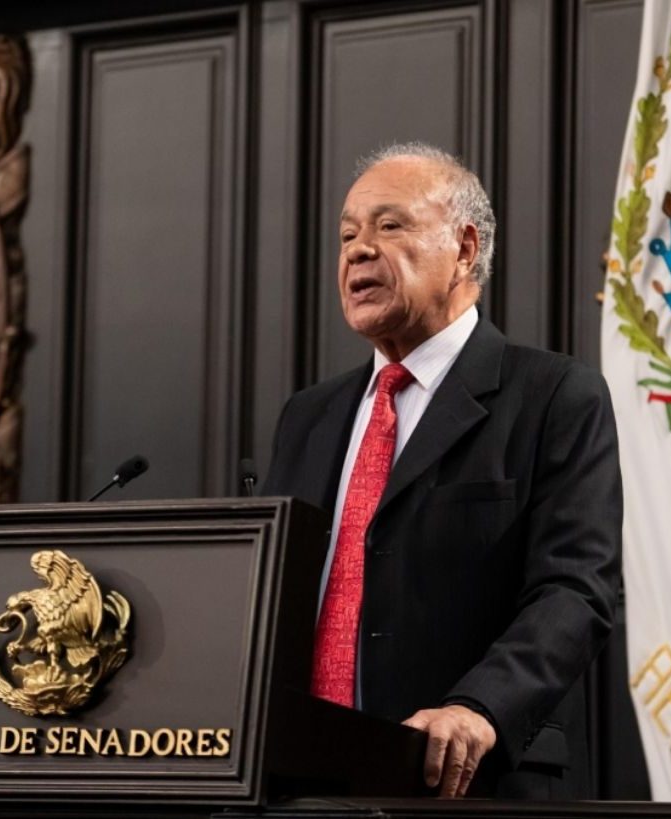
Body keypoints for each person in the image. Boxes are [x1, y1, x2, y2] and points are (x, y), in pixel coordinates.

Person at [262, 142, 621, 799]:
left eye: (389, 225)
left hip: (468, 786)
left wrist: (479, 708)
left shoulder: (553, 397)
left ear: (464, 247)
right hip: (301, 788)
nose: (357, 251)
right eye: (347, 234)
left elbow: (575, 590)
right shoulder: (308, 417)